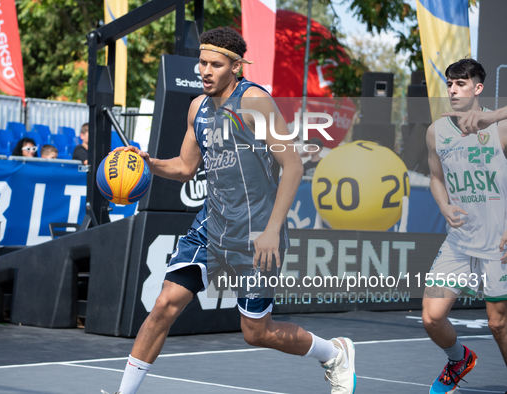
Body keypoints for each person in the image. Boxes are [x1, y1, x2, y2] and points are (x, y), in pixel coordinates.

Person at [105, 27, 356, 394]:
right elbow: (186, 167)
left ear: (236, 66)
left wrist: (272, 231)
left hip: (257, 231)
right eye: (202, 63)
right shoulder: (198, 108)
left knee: (257, 332)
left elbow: (294, 166)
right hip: (212, 225)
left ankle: (333, 354)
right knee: (164, 304)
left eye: (215, 64)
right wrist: (150, 163)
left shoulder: (254, 101)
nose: (205, 71)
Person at [424, 58, 507, 394]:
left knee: (498, 324)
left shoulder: (499, 127)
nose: (454, 90)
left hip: (496, 245)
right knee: (431, 316)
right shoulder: (436, 131)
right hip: (458, 242)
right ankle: (459, 359)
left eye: (461, 83)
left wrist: (494, 115)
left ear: (478, 87)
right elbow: (434, 178)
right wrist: (443, 205)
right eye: (450, 84)